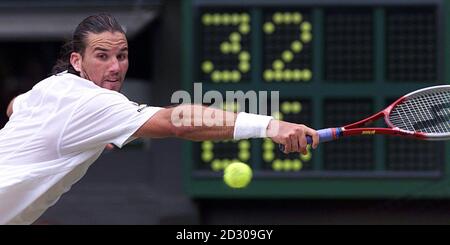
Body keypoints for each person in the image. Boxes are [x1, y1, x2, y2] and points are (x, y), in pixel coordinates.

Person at [0, 13, 318, 225]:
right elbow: (178, 121)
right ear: (77, 60)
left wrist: (88, 135)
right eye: (102, 56)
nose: (114, 67)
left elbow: (14, 107)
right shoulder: (95, 102)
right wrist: (270, 125)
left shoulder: (51, 87)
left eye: (121, 56)